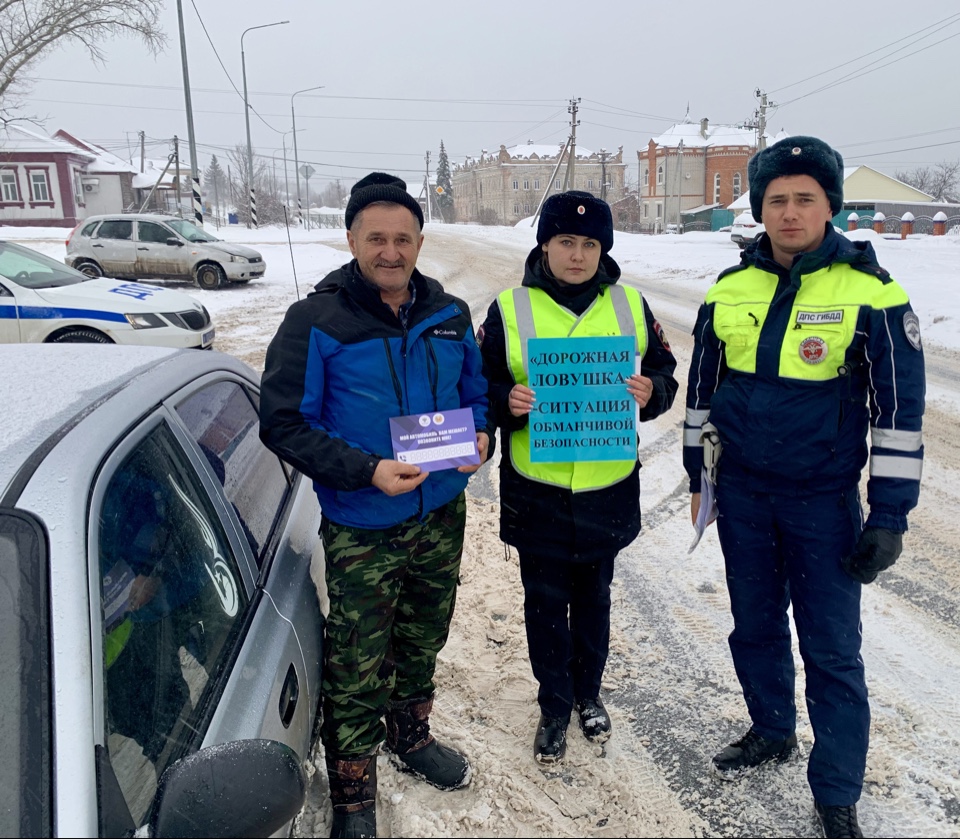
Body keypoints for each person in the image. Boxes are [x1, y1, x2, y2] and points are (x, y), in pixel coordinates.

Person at [682, 136, 925, 839]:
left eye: (804, 199)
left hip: (822, 500)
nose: (789, 212)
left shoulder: (872, 291)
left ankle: (838, 790)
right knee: (754, 625)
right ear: (760, 208)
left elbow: (900, 416)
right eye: (776, 199)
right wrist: (698, 471)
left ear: (830, 207)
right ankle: (771, 727)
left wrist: (890, 516)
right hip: (745, 498)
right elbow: (702, 391)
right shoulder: (730, 288)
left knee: (830, 648)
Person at [259, 172, 493, 839]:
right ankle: (353, 790)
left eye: (403, 238)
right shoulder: (317, 321)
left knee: (424, 633)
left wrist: (481, 436)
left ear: (420, 240)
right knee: (357, 658)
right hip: (365, 521)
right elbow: (282, 422)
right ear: (353, 239)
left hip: (441, 511)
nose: (390, 251)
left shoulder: (449, 316)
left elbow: (475, 394)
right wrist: (365, 470)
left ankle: (411, 736)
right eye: (376, 238)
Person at [478, 191, 678, 765]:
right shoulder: (508, 309)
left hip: (605, 488)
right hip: (536, 489)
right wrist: (505, 400)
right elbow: (478, 385)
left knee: (594, 599)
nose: (577, 254)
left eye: (590, 244)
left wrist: (651, 393)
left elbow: (664, 371)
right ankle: (554, 704)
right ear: (545, 244)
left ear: (603, 251)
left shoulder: (630, 305)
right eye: (566, 241)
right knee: (543, 603)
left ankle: (589, 694)